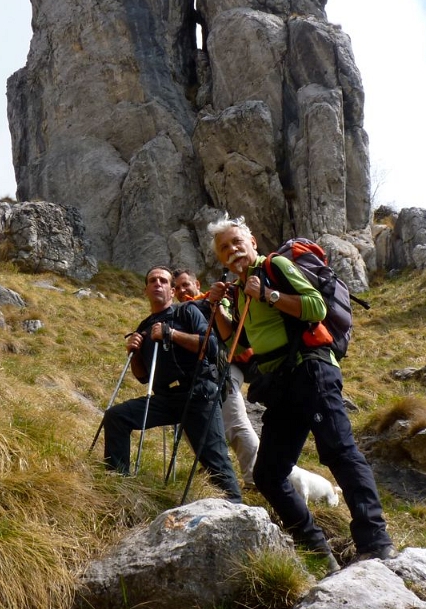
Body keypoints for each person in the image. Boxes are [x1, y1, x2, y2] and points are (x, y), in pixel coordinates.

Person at [207, 215, 396, 572]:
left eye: (236, 242)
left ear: (252, 243)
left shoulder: (275, 267)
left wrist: (268, 293)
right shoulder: (238, 289)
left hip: (310, 369)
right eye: (224, 248)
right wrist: (218, 309)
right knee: (267, 474)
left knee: (338, 451)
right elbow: (239, 344)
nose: (232, 250)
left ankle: (375, 543)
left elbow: (315, 307)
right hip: (281, 383)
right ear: (220, 259)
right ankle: (317, 551)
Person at [102, 265, 242, 503]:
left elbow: (210, 346)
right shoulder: (144, 327)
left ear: (171, 290)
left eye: (164, 281)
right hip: (166, 398)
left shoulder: (187, 312)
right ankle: (118, 486)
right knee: (116, 416)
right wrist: (134, 352)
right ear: (146, 289)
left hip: (198, 393)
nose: (158, 284)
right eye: (152, 280)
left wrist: (171, 334)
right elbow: (143, 376)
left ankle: (237, 508)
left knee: (214, 459)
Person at [171, 268, 260, 487]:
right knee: (195, 426)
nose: (182, 291)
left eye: (186, 285)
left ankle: (254, 480)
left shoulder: (215, 300)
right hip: (200, 376)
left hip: (224, 368)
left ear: (197, 283)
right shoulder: (178, 312)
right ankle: (217, 471)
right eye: (178, 287)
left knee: (235, 423)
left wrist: (214, 304)